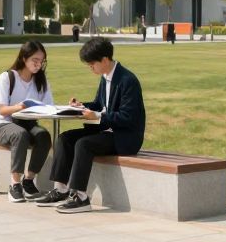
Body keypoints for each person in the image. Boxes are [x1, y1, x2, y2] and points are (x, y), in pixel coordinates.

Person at [35, 36, 145, 213]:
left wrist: (98, 116)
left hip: (125, 137)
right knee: (65, 138)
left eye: (92, 64)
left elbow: (128, 117)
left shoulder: (127, 81)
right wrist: (82, 107)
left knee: (84, 144)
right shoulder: (106, 77)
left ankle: (81, 197)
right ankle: (61, 189)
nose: (90, 68)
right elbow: (100, 105)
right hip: (107, 132)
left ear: (105, 59)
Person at [0, 40, 53, 201]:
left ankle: (28, 181)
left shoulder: (41, 80)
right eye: (35, 61)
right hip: (4, 123)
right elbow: (1, 110)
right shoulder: (7, 77)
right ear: (24, 58)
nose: (38, 65)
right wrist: (20, 107)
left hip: (29, 123)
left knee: (44, 136)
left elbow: (49, 106)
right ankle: (15, 185)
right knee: (20, 134)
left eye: (41, 61)